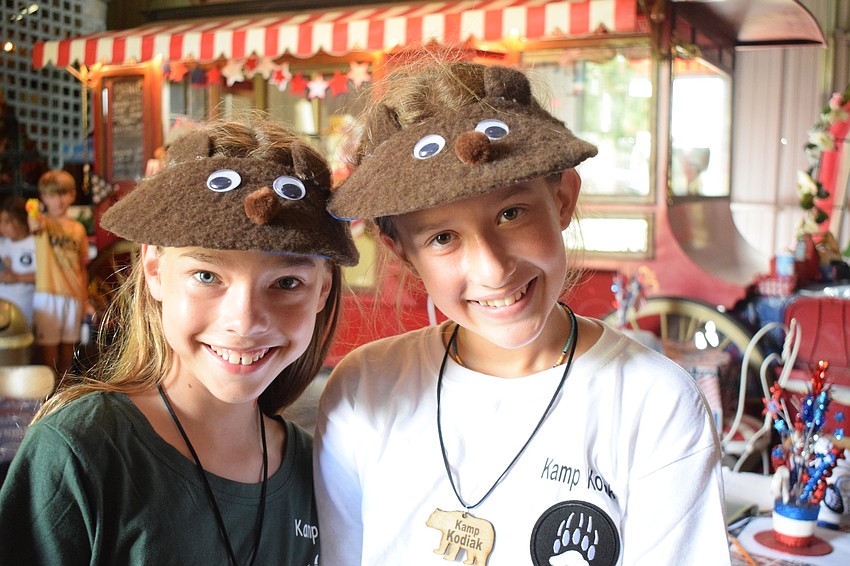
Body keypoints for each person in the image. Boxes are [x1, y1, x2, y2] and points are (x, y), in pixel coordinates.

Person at [314, 61, 731, 565]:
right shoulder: (364, 392)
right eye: (442, 238)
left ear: (562, 201)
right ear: (402, 252)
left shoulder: (656, 405)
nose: (492, 270)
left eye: (510, 214)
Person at [0, 117, 359, 565]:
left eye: (287, 283)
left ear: (323, 289)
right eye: (207, 275)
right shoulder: (79, 453)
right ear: (154, 270)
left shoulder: (318, 469)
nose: (244, 322)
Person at [29, 169, 89, 375]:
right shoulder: (43, 223)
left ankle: (63, 399)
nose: (59, 200)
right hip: (48, 295)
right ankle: (47, 402)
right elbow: (34, 222)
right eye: (53, 195)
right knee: (47, 358)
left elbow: (81, 267)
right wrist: (33, 209)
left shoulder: (79, 229)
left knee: (67, 357)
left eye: (64, 193)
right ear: (44, 197)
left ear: (72, 195)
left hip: (73, 297)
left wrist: (85, 301)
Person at [0, 196, 36, 327]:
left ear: (18, 221)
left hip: (25, 312)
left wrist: (17, 277)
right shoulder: (3, 244)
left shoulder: (36, 243)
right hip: (3, 314)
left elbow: (45, 276)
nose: (2, 226)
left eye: (6, 221)